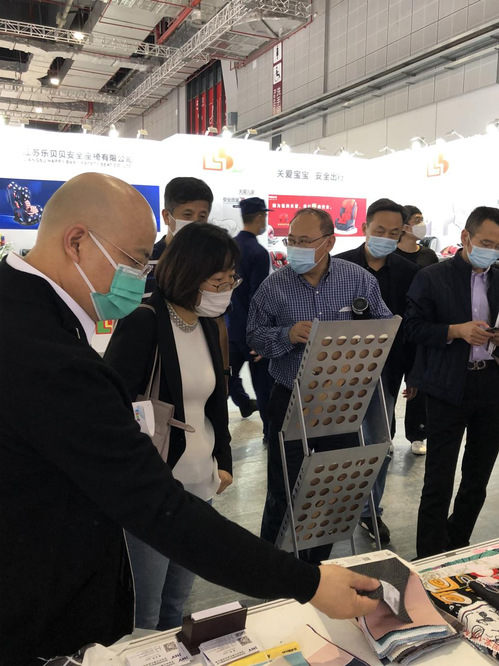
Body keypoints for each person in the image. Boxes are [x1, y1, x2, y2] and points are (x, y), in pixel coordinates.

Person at [0, 173, 379, 665]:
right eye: (136, 260)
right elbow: (154, 504)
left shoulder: (30, 310)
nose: (140, 275)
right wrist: (307, 582)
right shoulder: (46, 352)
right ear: (77, 242)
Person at [105, 223, 237, 631]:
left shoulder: (208, 324)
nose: (226, 290)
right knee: (144, 612)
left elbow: (216, 404)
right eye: (217, 281)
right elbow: (112, 405)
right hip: (156, 489)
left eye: (231, 280)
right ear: (188, 274)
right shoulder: (145, 321)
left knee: (177, 602)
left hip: (201, 484)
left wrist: (224, 461)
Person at [247, 207, 392, 562]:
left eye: (304, 241)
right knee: (284, 491)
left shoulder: (357, 280)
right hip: (291, 399)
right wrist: (287, 334)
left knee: (332, 491)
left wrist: (360, 343)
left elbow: (385, 325)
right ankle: (271, 568)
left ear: (329, 242)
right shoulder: (274, 285)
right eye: (291, 240)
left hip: (343, 403)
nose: (295, 248)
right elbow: (253, 335)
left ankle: (316, 567)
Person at [405, 206, 499, 559]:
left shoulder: (498, 278)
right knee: (439, 479)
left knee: (478, 477)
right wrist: (455, 331)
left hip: (491, 384)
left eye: (498, 246)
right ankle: (428, 556)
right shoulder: (432, 277)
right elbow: (411, 328)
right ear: (466, 237)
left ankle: (457, 544)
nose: (492, 251)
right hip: (446, 386)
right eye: (486, 243)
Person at [336, 198, 419, 545]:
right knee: (337, 445)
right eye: (379, 230)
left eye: (394, 233)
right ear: (365, 227)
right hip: (336, 372)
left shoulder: (409, 273)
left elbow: (412, 327)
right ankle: (332, 510)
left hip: (386, 372)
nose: (386, 237)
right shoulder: (338, 266)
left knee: (380, 444)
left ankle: (371, 511)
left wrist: (414, 374)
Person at [143, 176, 231, 381]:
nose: (195, 223)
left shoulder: (213, 265)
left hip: (201, 368)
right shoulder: (144, 262)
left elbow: (218, 322)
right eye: (187, 214)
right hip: (154, 368)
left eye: (202, 216)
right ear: (167, 216)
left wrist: (224, 373)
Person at [227, 197, 274, 442]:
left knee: (226, 377)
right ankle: (269, 433)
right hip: (252, 332)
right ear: (260, 218)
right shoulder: (258, 252)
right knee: (264, 386)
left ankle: (242, 404)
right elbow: (258, 297)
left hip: (228, 327)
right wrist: (260, 335)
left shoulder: (229, 248)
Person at [395, 205, 439, 456]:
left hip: (420, 327)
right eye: (417, 220)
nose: (422, 224)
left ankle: (418, 433)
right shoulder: (390, 254)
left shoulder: (428, 255)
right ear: (404, 225)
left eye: (422, 219)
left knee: (419, 384)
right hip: (394, 326)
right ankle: (384, 434)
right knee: (389, 384)